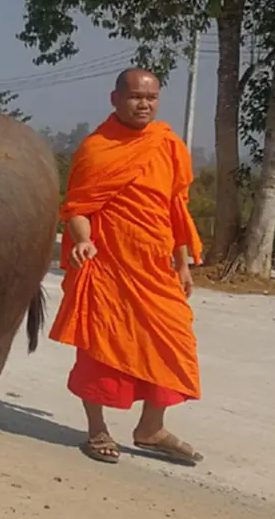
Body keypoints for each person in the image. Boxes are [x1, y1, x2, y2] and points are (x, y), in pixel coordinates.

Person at [49, 68, 205, 466]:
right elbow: (79, 208)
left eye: (151, 98)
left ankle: (151, 427)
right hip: (108, 266)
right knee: (99, 347)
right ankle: (97, 429)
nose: (143, 104)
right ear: (114, 98)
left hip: (155, 268)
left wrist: (182, 262)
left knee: (174, 339)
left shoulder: (167, 144)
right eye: (135, 96)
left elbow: (175, 209)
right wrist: (83, 241)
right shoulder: (97, 148)